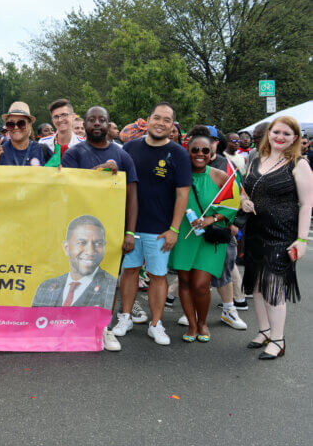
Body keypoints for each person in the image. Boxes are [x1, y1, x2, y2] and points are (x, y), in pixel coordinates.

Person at [60, 106, 139, 351]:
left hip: (112, 230)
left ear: (108, 124)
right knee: (78, 277)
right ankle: (74, 327)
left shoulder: (122, 155)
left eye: (102, 120)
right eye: (92, 120)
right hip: (79, 230)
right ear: (84, 124)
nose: (97, 124)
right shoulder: (73, 154)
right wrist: (96, 176)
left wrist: (129, 232)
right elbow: (67, 190)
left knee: (107, 279)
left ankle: (103, 328)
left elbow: (132, 196)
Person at [112, 102, 191, 346]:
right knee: (130, 272)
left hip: (160, 230)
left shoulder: (178, 153)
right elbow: (118, 183)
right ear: (148, 119)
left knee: (158, 276)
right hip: (130, 228)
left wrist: (174, 229)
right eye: (157, 117)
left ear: (172, 125)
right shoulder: (130, 148)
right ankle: (124, 317)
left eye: (167, 120)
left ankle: (156, 324)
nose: (161, 122)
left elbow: (182, 194)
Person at [240, 116, 313, 359]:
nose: (280, 137)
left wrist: (301, 240)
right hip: (255, 232)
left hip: (282, 235)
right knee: (258, 286)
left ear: (295, 138)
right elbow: (244, 187)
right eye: (276, 132)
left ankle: (278, 340)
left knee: (273, 287)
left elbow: (306, 204)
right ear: (269, 133)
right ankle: (264, 331)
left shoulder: (299, 164)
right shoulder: (256, 159)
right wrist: (244, 201)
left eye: (286, 134)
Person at [167, 133, 236, 342]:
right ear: (188, 151)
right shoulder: (179, 175)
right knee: (185, 281)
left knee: (200, 284)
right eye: (195, 150)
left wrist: (212, 218)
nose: (199, 154)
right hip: (184, 236)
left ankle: (203, 322)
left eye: (205, 150)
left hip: (208, 238)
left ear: (211, 153)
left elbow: (233, 204)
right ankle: (192, 324)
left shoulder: (220, 177)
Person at [32, 216, 117, 309]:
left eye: (98, 243)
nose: (90, 251)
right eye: (82, 242)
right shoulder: (45, 288)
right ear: (66, 248)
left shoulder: (112, 288)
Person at [0, 102, 44, 166]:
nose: (16, 127)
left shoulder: (42, 150)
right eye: (11, 124)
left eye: (21, 123)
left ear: (29, 125)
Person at [39, 99, 83, 163]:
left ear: (73, 117)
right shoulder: (43, 143)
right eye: (56, 117)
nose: (60, 120)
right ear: (52, 120)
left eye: (64, 115)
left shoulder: (84, 144)